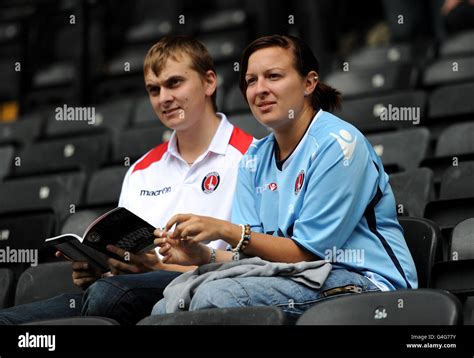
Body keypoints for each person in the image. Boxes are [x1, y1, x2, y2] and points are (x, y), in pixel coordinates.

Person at [151, 34, 418, 317]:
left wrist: (225, 230)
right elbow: (255, 256)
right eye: (251, 81)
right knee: (165, 306)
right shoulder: (253, 159)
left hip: (367, 282)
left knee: (215, 296)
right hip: (291, 277)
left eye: (273, 76)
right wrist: (205, 255)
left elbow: (308, 253)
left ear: (309, 83)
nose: (260, 89)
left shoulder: (339, 145)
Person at [0, 35, 253, 325]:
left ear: (209, 82)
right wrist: (101, 268)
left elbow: (251, 268)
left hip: (200, 291)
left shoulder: (250, 157)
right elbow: (123, 263)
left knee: (108, 296)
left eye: (174, 83)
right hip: (121, 293)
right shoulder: (141, 170)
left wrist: (155, 268)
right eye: (153, 89)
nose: (164, 98)